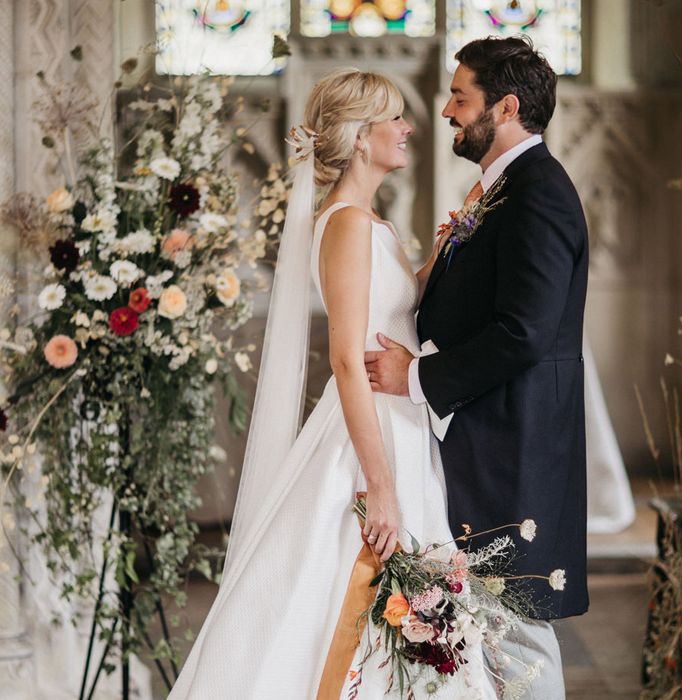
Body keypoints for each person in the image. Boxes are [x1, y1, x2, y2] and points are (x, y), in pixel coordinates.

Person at [169, 69, 497, 698]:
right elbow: (347, 358)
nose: (408, 130)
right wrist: (379, 486)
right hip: (368, 438)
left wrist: (446, 251)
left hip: (399, 424)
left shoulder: (367, 222)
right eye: (394, 119)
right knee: (341, 605)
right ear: (358, 136)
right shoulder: (346, 223)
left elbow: (391, 311)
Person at [365, 36, 590, 698]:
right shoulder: (502, 188)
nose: (446, 112)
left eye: (460, 98)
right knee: (489, 628)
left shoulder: (537, 194)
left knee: (518, 631)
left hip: (516, 452)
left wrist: (413, 377)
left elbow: (523, 333)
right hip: (489, 442)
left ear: (507, 106)